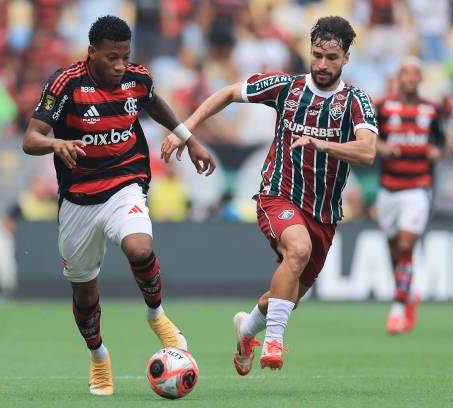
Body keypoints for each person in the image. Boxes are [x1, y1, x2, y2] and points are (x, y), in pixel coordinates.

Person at [162, 16, 377, 373]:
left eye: (332, 58)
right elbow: (228, 93)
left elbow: (367, 151)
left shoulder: (355, 101)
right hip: (278, 195)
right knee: (298, 249)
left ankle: (246, 330)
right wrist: (184, 131)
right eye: (318, 55)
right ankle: (274, 342)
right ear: (310, 52)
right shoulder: (286, 87)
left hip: (323, 214)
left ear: (346, 58)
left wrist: (323, 144)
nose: (323, 64)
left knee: (286, 296)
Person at [22, 15, 216, 396]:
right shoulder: (65, 84)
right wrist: (56, 143)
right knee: (85, 295)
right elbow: (31, 138)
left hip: (125, 184)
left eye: (125, 57)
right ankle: (98, 357)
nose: (120, 66)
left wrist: (189, 139)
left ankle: (157, 316)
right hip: (79, 200)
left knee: (139, 248)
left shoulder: (136, 78)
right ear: (92, 52)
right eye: (112, 58)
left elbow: (153, 102)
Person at [374, 56, 444, 335]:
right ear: (398, 77)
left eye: (416, 73)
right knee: (394, 249)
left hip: (417, 187)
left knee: (405, 245)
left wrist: (437, 152)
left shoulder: (432, 110)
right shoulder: (382, 107)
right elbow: (368, 138)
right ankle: (408, 294)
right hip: (388, 188)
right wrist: (381, 147)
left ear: (421, 78)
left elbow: (441, 141)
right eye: (406, 73)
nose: (411, 78)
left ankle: (398, 308)